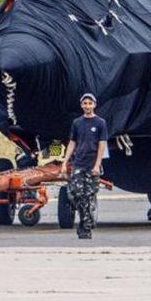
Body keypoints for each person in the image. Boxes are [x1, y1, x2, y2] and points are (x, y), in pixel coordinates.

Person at [60, 93, 108, 239]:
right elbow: (72, 142)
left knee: (88, 195)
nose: (87, 106)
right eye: (85, 103)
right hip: (78, 163)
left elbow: (102, 144)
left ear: (94, 105)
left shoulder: (100, 123)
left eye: (90, 103)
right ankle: (85, 220)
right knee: (75, 193)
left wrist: (97, 165)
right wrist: (64, 162)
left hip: (92, 163)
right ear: (81, 105)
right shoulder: (77, 123)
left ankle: (85, 227)